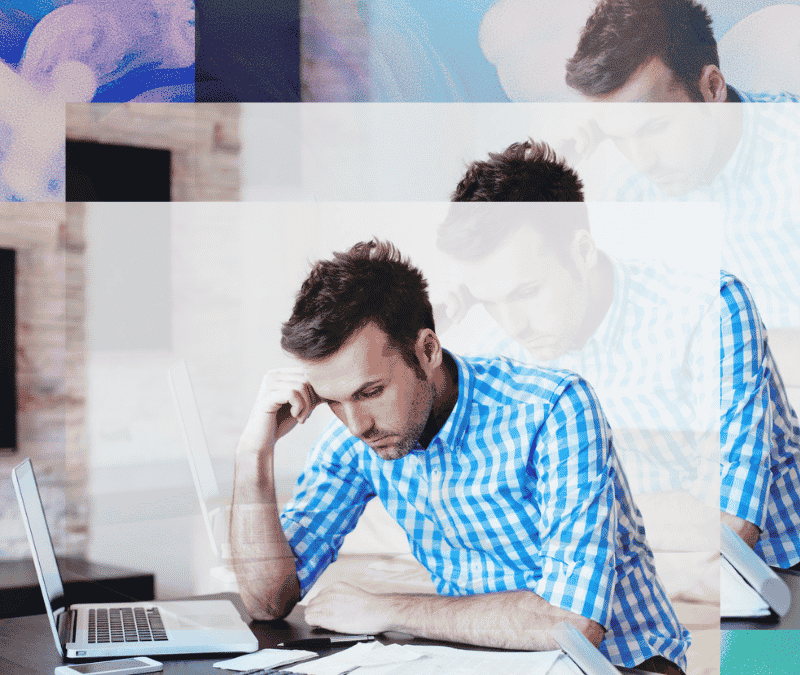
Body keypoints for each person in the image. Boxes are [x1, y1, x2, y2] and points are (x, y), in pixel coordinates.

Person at [229, 240, 689, 673]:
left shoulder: (553, 409)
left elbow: (570, 624)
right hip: (484, 661)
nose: (356, 425)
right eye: (333, 401)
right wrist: (254, 453)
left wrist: (388, 609)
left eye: (371, 391)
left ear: (427, 350)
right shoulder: (355, 440)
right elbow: (267, 603)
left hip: (619, 665)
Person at [438, 139, 800, 569]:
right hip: (628, 582)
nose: (513, 325)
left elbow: (728, 525)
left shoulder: (707, 309)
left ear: (582, 252)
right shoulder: (501, 356)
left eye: (526, 292)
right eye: (490, 302)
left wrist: (556, 520)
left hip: (774, 583)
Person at [559, 0, 800, 338]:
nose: (643, 162)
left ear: (712, 87)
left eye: (655, 128)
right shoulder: (631, 198)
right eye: (618, 138)